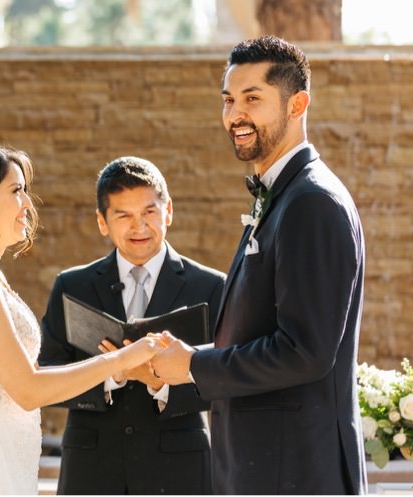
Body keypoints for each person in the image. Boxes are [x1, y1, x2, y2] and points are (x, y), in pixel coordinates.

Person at [147, 36, 368, 494]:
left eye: (253, 98)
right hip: (261, 471)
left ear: (297, 104)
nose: (235, 115)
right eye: (229, 100)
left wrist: (194, 364)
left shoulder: (312, 203)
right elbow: (257, 332)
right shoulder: (283, 196)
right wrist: (178, 364)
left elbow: (304, 352)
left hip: (294, 475)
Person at [0, 141, 164, 494]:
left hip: (5, 457)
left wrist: (112, 368)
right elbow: (27, 390)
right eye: (16, 191)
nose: (28, 204)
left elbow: (25, 376)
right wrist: (119, 358)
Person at [37, 156, 224, 494]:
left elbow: (227, 377)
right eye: (123, 215)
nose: (138, 227)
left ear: (168, 211)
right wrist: (112, 374)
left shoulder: (212, 287)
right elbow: (48, 372)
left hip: (180, 472)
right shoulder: (71, 287)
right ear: (102, 222)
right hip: (91, 471)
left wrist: (160, 383)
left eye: (149, 212)